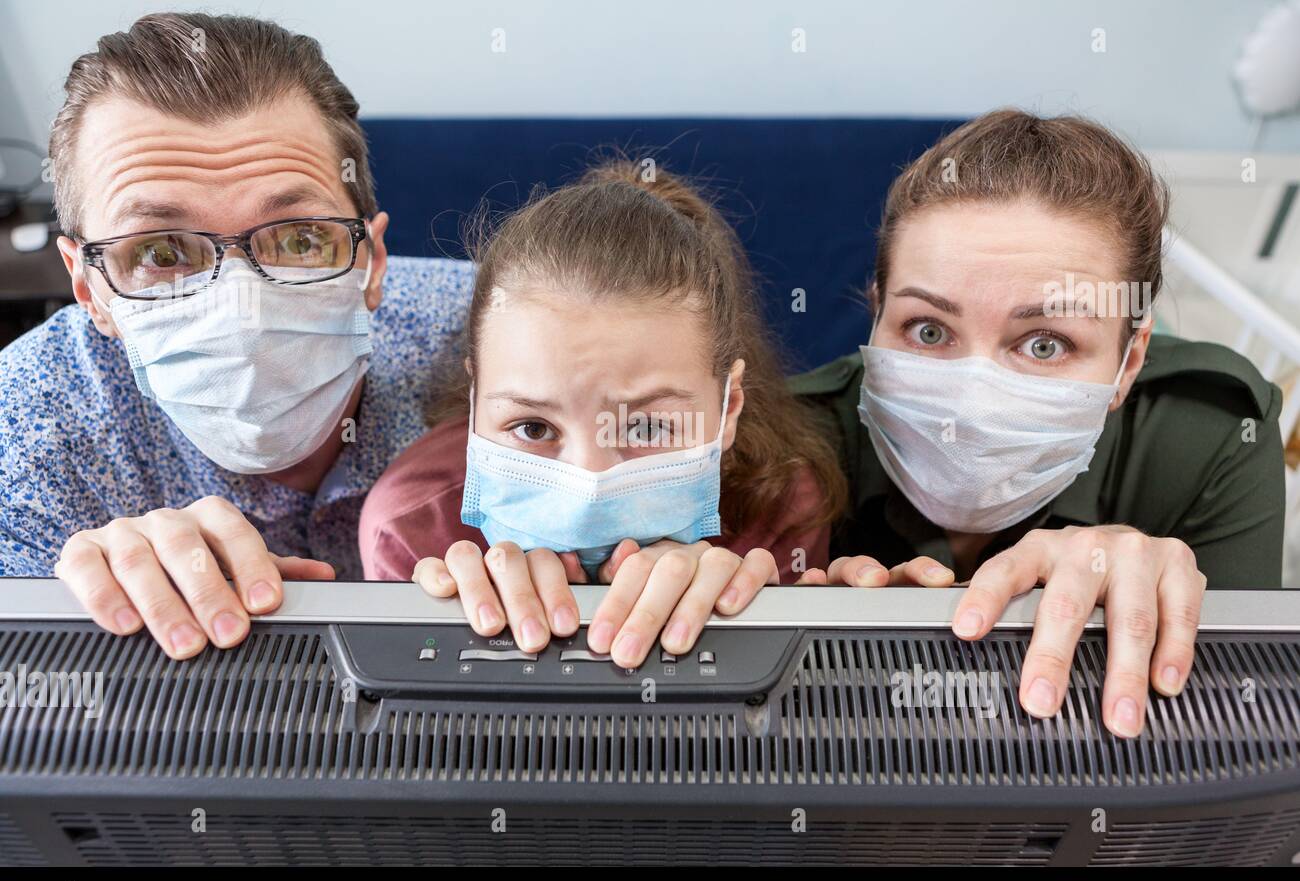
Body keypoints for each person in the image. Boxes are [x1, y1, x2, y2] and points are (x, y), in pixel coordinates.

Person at [792, 109, 1285, 738]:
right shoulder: (793, 445)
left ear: (1128, 361)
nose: (972, 405)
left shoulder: (1210, 436)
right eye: (929, 330)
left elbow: (1236, 734)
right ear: (876, 315)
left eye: (1045, 344)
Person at [0, 13, 474, 658]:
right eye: (162, 253)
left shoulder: (508, 345)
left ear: (373, 263)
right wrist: (68, 627)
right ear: (89, 290)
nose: (244, 308)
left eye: (301, 239)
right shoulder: (25, 439)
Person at [359, 161, 852, 668]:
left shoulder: (782, 504)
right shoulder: (409, 527)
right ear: (475, 398)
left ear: (728, 408)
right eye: (534, 428)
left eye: (644, 426)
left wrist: (735, 623)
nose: (588, 482)